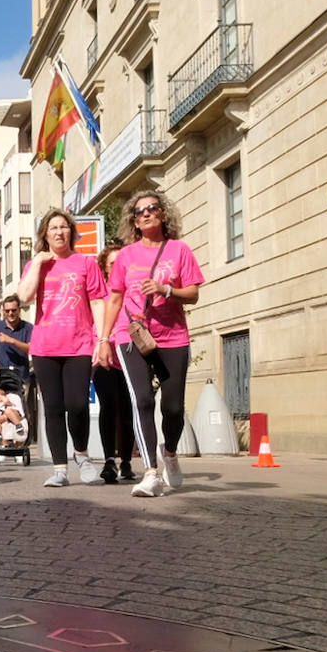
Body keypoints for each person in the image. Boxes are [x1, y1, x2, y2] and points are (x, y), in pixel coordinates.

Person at [98, 189, 205, 498]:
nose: (145, 213)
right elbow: (115, 297)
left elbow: (194, 293)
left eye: (152, 208)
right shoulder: (126, 255)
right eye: (139, 211)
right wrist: (104, 339)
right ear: (133, 220)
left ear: (163, 214)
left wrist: (166, 289)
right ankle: (150, 473)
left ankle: (169, 452)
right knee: (142, 400)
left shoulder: (179, 250)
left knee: (173, 408)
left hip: (173, 335)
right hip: (130, 333)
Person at [17, 207, 108, 487]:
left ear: (72, 232)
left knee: (77, 404)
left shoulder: (86, 263)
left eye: (64, 227)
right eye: (53, 228)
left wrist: (102, 339)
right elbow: (23, 296)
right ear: (45, 234)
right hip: (45, 347)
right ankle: (59, 469)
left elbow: (97, 301)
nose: (59, 232)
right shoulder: (38, 265)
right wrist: (36, 263)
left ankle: (82, 455)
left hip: (79, 344)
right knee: (53, 407)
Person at [93, 242, 136, 483]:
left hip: (131, 355)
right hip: (103, 356)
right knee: (108, 407)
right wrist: (98, 346)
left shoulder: (134, 291)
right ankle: (110, 460)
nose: (118, 267)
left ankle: (127, 461)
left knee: (129, 409)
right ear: (106, 268)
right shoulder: (100, 294)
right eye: (113, 263)